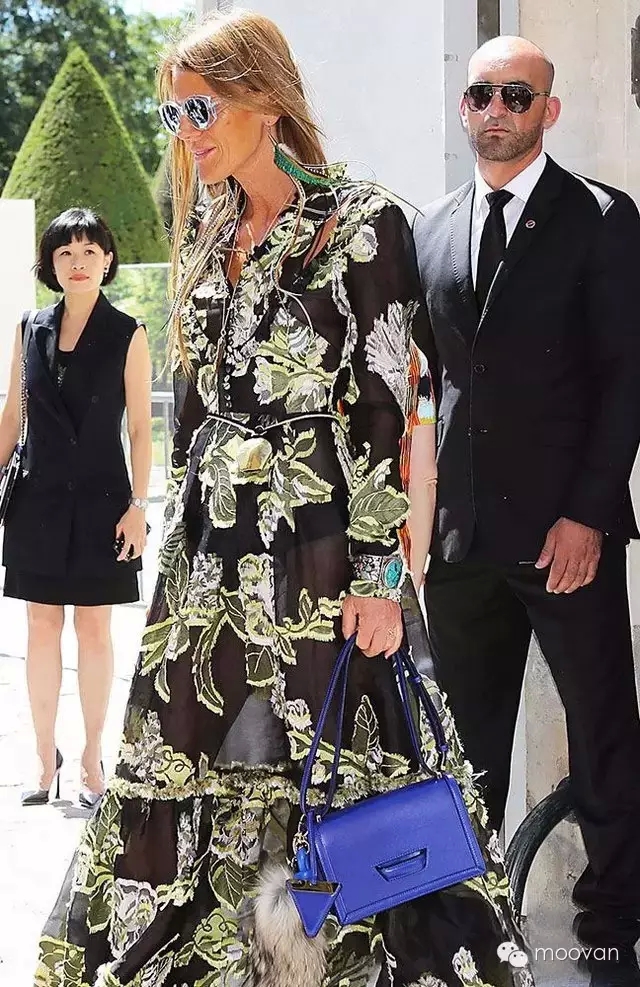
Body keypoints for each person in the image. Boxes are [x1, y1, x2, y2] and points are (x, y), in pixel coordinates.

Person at [35, 14, 533, 987]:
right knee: (180, 763)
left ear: (263, 99)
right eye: (173, 112)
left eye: (202, 108)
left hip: (316, 557)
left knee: (345, 768)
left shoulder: (361, 222)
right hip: (207, 567)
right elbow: (195, 407)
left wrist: (381, 577)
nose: (186, 130)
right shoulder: (208, 229)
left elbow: (386, 409)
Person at [413, 35, 640, 985]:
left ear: (550, 110)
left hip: (564, 538)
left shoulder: (603, 217)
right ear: (464, 108)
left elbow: (625, 378)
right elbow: (426, 388)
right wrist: (413, 528)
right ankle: (467, 929)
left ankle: (612, 925)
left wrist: (587, 514)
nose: (496, 109)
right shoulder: (430, 228)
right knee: (461, 751)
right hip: (461, 542)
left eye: (517, 94)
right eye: (482, 94)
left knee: (604, 736)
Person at [0, 208, 152, 809]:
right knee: (40, 628)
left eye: (90, 251)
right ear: (51, 265)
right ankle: (45, 758)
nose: (78, 262)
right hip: (36, 501)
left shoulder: (128, 333)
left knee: (93, 630)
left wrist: (138, 505)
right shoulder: (29, 327)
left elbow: (140, 429)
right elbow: (12, 420)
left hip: (103, 505)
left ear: (108, 260)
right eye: (65, 253)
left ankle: (92, 757)